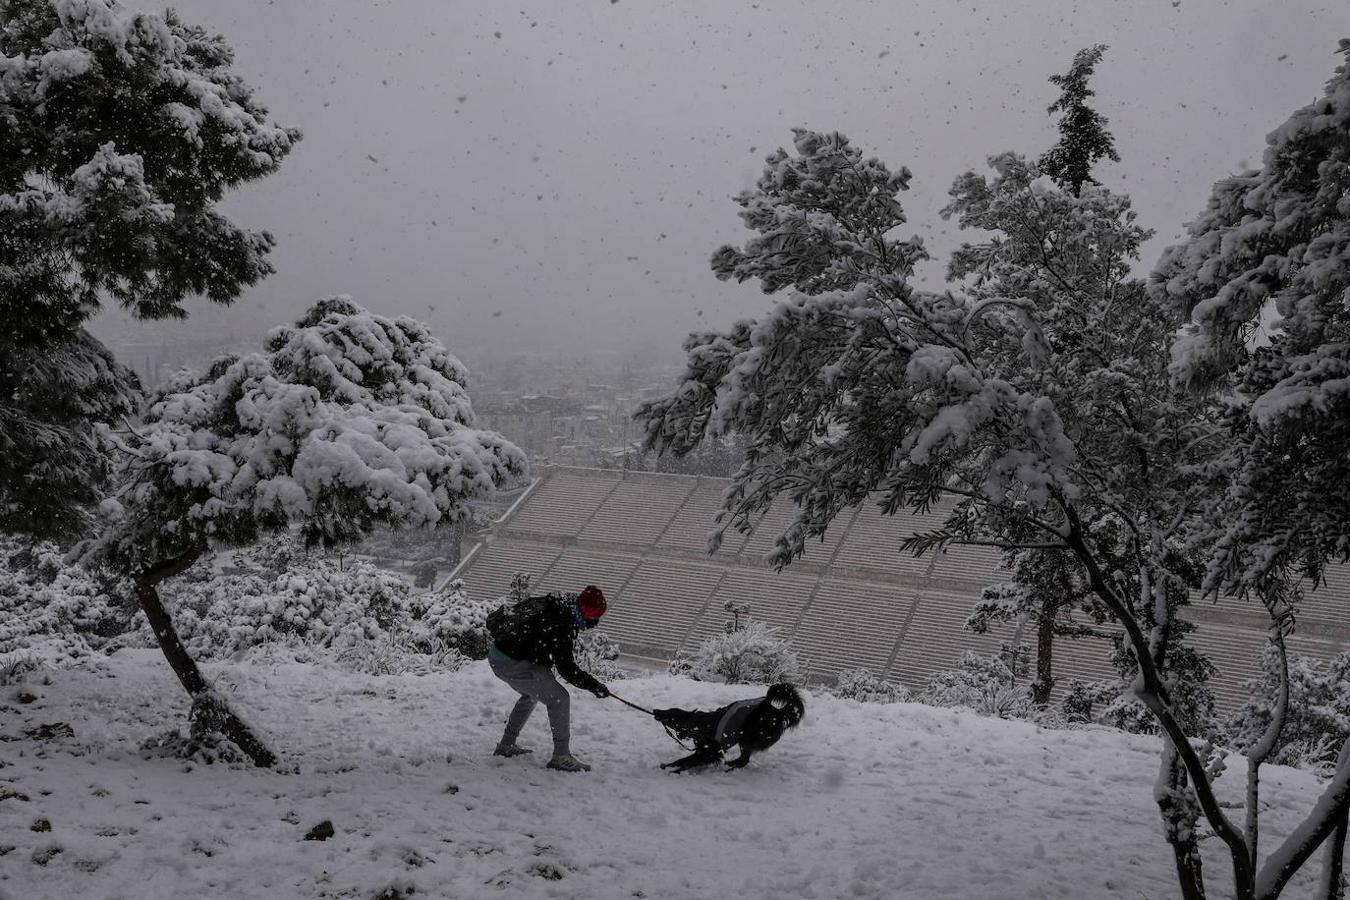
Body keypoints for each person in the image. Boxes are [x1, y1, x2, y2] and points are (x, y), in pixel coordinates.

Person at [487, 584, 611, 772]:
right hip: (510, 661)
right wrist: (594, 686)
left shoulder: (559, 605)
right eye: (594, 618)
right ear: (585, 612)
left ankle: (506, 745)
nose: (594, 623)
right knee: (560, 698)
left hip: (500, 655)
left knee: (532, 695)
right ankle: (561, 756)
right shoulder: (562, 621)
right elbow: (566, 668)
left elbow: (535, 638)